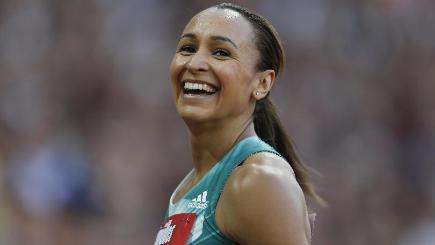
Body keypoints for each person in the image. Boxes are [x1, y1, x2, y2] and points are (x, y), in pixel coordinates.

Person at [154, 3, 322, 245]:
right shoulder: (189, 187)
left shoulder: (258, 180)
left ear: (262, 83)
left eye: (221, 52)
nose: (195, 64)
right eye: (188, 48)